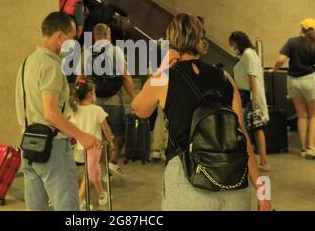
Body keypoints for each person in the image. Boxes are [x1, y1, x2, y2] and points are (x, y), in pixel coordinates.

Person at [131, 13, 272, 211]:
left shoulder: (164, 78)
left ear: (170, 41)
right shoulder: (225, 78)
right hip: (233, 184)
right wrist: (263, 194)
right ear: (200, 40)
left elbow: (139, 109)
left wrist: (161, 67)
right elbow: (244, 139)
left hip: (188, 183)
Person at [15, 12, 101, 211]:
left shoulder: (26, 63)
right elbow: (50, 113)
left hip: (28, 146)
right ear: (60, 37)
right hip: (51, 148)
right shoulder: (51, 66)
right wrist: (82, 136)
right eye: (72, 39)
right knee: (67, 207)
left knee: (36, 207)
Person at [77, 24, 135, 179]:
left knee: (98, 137)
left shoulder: (85, 53)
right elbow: (125, 76)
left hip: (92, 103)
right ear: (108, 34)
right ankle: (112, 163)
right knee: (119, 133)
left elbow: (79, 78)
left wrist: (79, 101)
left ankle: (101, 169)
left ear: (94, 35)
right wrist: (134, 98)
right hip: (114, 101)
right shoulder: (116, 51)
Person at [69, 78, 115, 210]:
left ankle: (101, 194)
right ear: (90, 94)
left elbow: (70, 126)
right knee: (89, 173)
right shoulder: (97, 110)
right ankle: (80, 201)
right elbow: (105, 128)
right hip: (94, 147)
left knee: (94, 171)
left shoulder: (75, 110)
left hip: (81, 147)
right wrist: (111, 141)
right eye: (94, 92)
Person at [273, 18, 315, 158]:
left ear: (301, 28)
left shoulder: (292, 41)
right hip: (309, 80)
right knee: (313, 115)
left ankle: (303, 149)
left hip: (292, 81)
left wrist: (274, 69)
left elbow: (280, 60)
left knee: (302, 115)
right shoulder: (314, 42)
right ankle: (311, 147)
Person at [229, 31, 270, 172]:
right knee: (252, 128)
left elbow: (252, 76)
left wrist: (253, 99)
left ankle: (263, 161)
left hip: (249, 95)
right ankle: (255, 160)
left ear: (237, 42)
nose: (232, 47)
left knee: (255, 127)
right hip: (245, 94)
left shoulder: (248, 54)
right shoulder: (247, 54)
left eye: (232, 44)